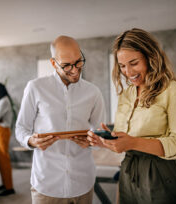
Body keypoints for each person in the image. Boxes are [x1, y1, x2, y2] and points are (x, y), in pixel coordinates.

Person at [87, 28, 176, 203]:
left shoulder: (175, 92)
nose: (128, 72)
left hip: (164, 175)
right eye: (122, 66)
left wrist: (133, 142)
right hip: (130, 173)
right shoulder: (126, 94)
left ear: (151, 58)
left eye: (134, 63)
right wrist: (106, 142)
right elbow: (126, 138)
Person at [16, 36, 105, 204]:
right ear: (53, 63)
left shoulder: (93, 92)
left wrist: (93, 141)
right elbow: (21, 128)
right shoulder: (35, 88)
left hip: (83, 181)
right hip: (47, 183)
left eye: (79, 62)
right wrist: (31, 141)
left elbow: (99, 131)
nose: (75, 69)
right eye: (66, 65)